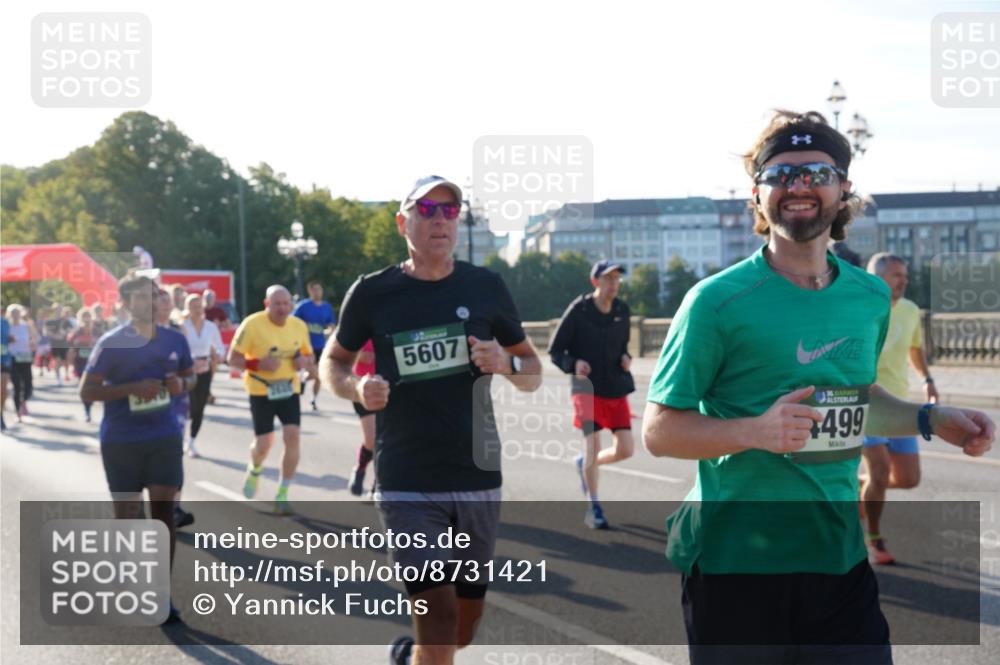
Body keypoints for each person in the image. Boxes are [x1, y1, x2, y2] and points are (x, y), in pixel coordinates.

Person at [641, 110, 994, 665]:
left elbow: (859, 401)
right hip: (737, 563)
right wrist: (755, 431)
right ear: (756, 194)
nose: (798, 187)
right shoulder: (715, 301)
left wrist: (929, 418)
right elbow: (661, 431)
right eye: (781, 175)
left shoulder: (870, 298)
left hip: (837, 555)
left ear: (844, 188)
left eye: (816, 172)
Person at [320, 175, 542, 665]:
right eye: (426, 209)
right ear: (403, 222)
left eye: (449, 211)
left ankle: (412, 658)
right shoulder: (374, 292)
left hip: (477, 475)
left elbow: (533, 371)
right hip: (407, 478)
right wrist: (357, 387)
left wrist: (505, 366)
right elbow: (332, 362)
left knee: (462, 628)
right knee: (438, 623)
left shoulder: (485, 287)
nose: (440, 220)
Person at [79, 274, 195, 624]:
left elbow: (192, 377)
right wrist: (131, 388)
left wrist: (180, 385)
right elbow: (87, 391)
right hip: (122, 440)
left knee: (162, 515)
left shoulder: (175, 339)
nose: (150, 302)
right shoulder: (112, 343)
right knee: (128, 517)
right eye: (142, 297)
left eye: (153, 296)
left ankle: (161, 593)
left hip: (164, 435)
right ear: (127, 302)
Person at [860, 253, 939, 565]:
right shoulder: (860, 309)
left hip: (902, 404)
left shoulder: (908, 310)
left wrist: (928, 379)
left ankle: (862, 488)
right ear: (876, 278)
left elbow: (915, 347)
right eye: (896, 275)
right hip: (867, 404)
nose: (903, 281)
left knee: (908, 478)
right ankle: (874, 538)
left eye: (905, 275)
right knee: (879, 471)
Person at [549, 260, 635, 529]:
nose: (614, 284)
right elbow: (556, 351)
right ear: (595, 281)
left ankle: (585, 464)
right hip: (587, 390)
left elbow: (623, 347)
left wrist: (626, 357)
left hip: (616, 388)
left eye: (617, 279)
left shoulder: (622, 310)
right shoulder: (579, 310)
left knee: (626, 450)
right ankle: (594, 506)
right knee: (593, 445)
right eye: (608, 279)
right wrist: (573, 364)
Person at [228, 285, 317, 515]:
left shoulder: (298, 325)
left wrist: (303, 362)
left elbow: (308, 354)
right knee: (264, 443)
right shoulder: (253, 324)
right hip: (261, 390)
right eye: (277, 304)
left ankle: (282, 494)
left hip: (289, 388)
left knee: (292, 437)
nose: (282, 308)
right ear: (267, 304)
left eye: (286, 303)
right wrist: (257, 364)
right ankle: (255, 468)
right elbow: (232, 359)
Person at [181, 293, 225, 458]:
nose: (197, 310)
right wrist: (190, 362)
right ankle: (182, 436)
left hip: (205, 369)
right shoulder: (183, 326)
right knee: (190, 407)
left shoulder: (210, 327)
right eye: (193, 306)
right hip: (187, 370)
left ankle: (192, 441)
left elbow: (220, 347)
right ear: (188, 309)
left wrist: (217, 356)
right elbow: (179, 348)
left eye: (199, 306)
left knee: (200, 407)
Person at [293, 281, 337, 411]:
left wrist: (330, 330)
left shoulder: (326, 307)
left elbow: (331, 324)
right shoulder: (303, 306)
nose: (318, 292)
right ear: (310, 291)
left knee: (320, 376)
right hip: (306, 346)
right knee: (316, 373)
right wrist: (303, 326)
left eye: (320, 289)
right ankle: (302, 380)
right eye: (315, 290)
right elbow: (292, 322)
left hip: (321, 345)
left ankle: (313, 399)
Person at [347, 339, 377, 496]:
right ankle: (361, 467)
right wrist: (357, 355)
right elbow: (338, 355)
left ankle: (379, 485)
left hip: (390, 386)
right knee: (372, 438)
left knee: (387, 439)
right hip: (361, 387)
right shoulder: (359, 317)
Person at [67, 307, 100, 422]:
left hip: (93, 362)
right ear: (80, 318)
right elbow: (70, 344)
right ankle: (87, 410)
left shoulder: (96, 331)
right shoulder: (77, 331)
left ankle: (89, 403)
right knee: (84, 386)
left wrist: (94, 343)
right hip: (80, 362)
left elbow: (103, 343)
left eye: (88, 316)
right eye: (84, 317)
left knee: (93, 386)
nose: (86, 319)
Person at [7, 305, 36, 421]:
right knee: (17, 385)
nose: (15, 315)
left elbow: (34, 338)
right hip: (13, 358)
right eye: (13, 313)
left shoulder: (26, 325)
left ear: (20, 314)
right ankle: (18, 411)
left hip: (25, 357)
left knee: (28, 385)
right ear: (10, 314)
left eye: (17, 312)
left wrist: (33, 343)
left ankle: (23, 401)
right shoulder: (7, 326)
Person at [1, 311, 12, 431]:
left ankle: (1, 414)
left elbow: (12, 337)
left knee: (3, 388)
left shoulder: (5, 322)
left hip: (3, 358)